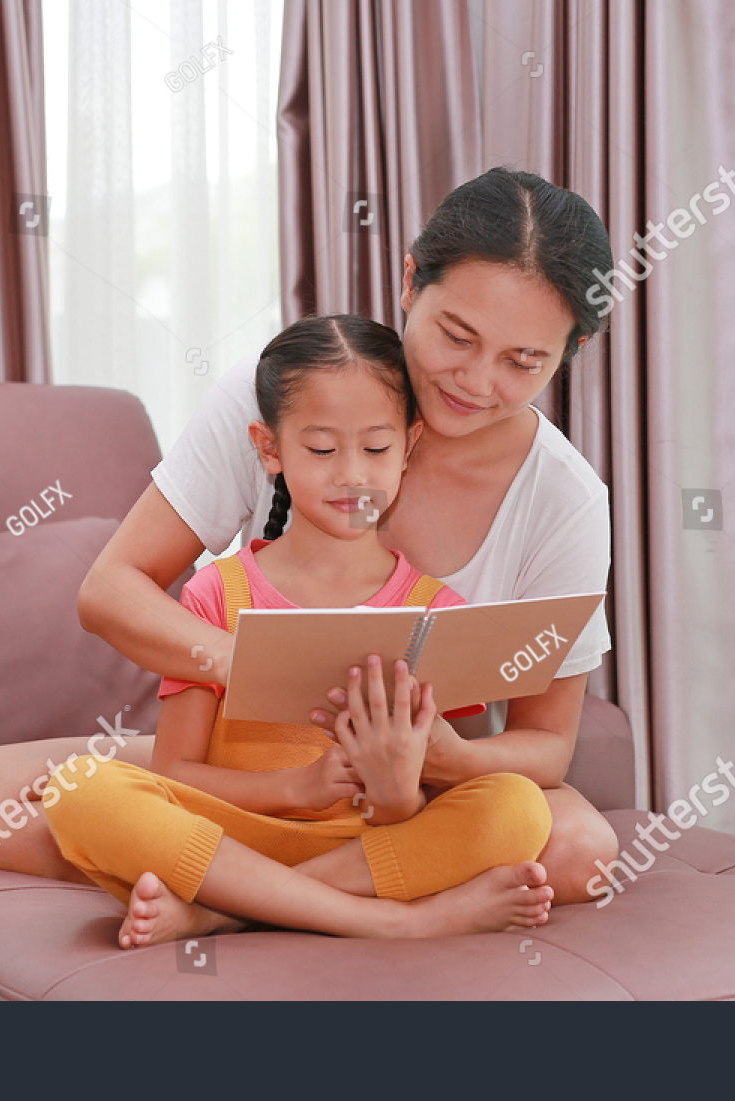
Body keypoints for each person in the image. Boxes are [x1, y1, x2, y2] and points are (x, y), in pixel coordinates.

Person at [0, 166, 620, 909]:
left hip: (405, 786)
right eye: (457, 335)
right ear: (411, 282)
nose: (477, 381)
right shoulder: (280, 398)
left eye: (523, 362)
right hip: (248, 768)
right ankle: (338, 895)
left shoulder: (566, 500)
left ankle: (216, 900)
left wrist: (434, 755)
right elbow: (111, 591)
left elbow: (546, 743)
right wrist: (259, 665)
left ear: (568, 352)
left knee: (580, 852)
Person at [38, 314, 555, 948]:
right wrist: (295, 789)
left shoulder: (436, 614)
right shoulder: (216, 593)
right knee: (80, 788)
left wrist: (393, 794)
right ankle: (395, 921)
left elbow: (412, 808)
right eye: (320, 450)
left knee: (517, 806)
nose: (352, 476)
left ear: (410, 442)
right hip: (231, 833)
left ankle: (228, 911)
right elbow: (176, 773)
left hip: (361, 846)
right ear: (270, 448)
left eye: (375, 448)